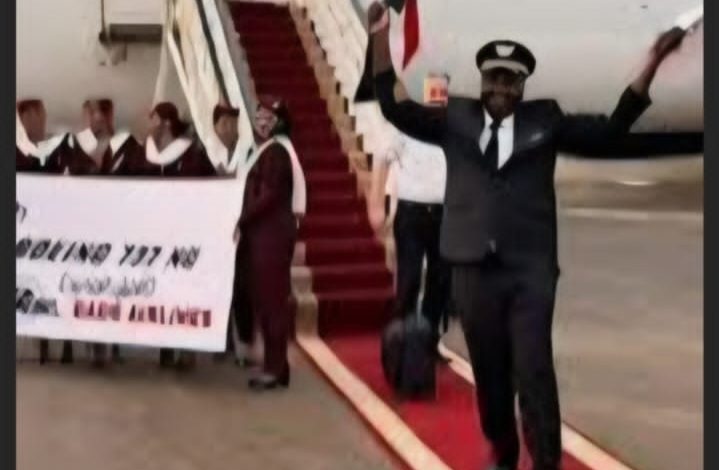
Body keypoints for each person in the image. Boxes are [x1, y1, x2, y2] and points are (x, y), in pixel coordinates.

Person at [367, 3, 686, 469]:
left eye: (510, 80)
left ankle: (546, 461)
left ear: (522, 85)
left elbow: (611, 131)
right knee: (491, 374)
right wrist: (379, 36)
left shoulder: (545, 121)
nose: (501, 87)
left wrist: (652, 64)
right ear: (482, 81)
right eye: (493, 78)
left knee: (534, 368)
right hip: (472, 269)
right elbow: (394, 106)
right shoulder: (455, 119)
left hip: (529, 271)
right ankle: (503, 451)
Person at [238, 95, 305, 391]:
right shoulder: (269, 149)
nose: (260, 121)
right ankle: (275, 365)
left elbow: (268, 195)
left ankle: (275, 368)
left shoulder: (276, 152)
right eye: (259, 114)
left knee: (272, 302)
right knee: (266, 302)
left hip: (271, 237)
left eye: (267, 116)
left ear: (279, 122)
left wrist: (240, 218)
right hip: (264, 235)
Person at [368, 129, 450, 360]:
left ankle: (429, 341)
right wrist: (375, 204)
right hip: (411, 212)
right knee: (409, 280)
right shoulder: (406, 121)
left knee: (441, 280)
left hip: (445, 212)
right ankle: (399, 347)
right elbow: (382, 158)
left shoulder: (450, 122)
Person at [139, 102, 216, 177]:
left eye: (155, 119)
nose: (150, 125)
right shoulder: (148, 149)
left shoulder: (191, 154)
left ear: (167, 123)